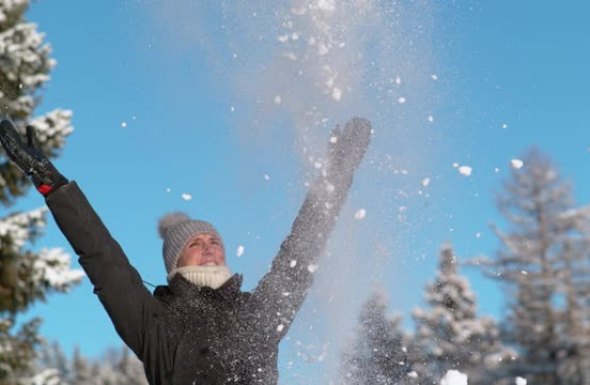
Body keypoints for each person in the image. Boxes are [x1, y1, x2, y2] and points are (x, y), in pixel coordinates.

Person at [0, 117, 372, 385]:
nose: (208, 247)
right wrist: (53, 185)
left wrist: (336, 177)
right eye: (195, 243)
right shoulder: (154, 322)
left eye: (214, 241)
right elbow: (105, 261)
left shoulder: (257, 313)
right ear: (174, 263)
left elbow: (301, 255)